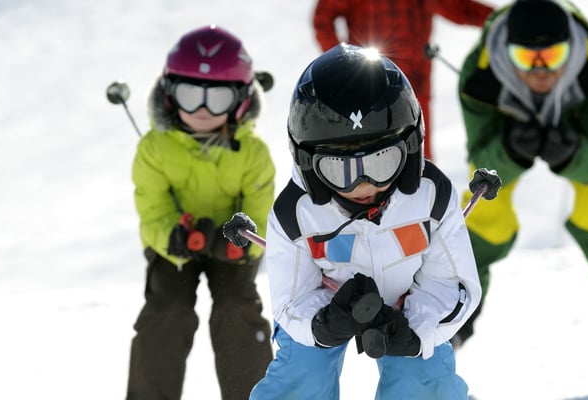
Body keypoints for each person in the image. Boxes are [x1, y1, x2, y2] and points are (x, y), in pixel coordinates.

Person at [247, 44, 483, 399]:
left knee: (420, 376)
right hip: (325, 309)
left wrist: (416, 330)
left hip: (407, 307)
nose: (363, 184)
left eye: (382, 161)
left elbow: (453, 283)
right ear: (309, 163)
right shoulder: (296, 213)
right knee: (302, 375)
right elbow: (290, 299)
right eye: (338, 169)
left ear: (410, 150)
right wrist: (323, 325)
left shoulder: (431, 198)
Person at [454, 0, 588, 380]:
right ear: (507, 51)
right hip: (507, 118)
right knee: (484, 211)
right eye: (526, 57)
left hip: (577, 114)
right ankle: (447, 314)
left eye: (553, 55)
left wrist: (572, 151)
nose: (541, 70)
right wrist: (509, 151)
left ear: (571, 47)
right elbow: (481, 157)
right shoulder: (479, 78)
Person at [126, 25, 275, 400]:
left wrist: (244, 242)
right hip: (176, 243)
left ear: (240, 99)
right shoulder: (155, 148)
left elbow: (260, 207)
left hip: (233, 245)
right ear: (170, 95)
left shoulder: (252, 152)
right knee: (167, 310)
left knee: (237, 309)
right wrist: (172, 237)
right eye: (191, 96)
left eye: (218, 98)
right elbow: (152, 207)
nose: (204, 111)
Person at [312, 0, 495, 161]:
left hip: (416, 88)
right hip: (368, 86)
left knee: (420, 160)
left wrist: (502, 19)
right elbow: (322, 19)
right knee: (371, 159)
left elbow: (459, 7)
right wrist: (344, 64)